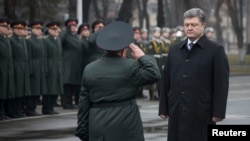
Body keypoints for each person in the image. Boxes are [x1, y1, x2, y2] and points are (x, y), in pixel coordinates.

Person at [75, 21, 161, 141]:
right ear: (123, 50)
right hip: (127, 123)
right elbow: (154, 74)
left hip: (98, 122)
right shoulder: (131, 66)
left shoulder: (89, 69)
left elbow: (83, 103)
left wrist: (82, 130)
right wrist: (142, 57)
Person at [158, 8, 229, 141]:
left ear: (203, 26)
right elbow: (166, 80)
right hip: (177, 110)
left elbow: (221, 84)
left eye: (194, 25)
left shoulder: (215, 50)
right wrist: (164, 107)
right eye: (187, 25)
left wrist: (218, 112)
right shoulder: (175, 50)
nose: (189, 28)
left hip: (202, 111)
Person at [9, 20, 31, 118]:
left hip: (23, 67)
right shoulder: (11, 40)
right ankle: (13, 111)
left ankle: (19, 110)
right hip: (16, 67)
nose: (19, 31)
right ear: (13, 29)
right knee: (16, 90)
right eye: (17, 29)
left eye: (21, 29)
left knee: (22, 90)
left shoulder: (22, 40)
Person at [26, 21, 47, 116]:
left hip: (40, 67)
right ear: (32, 29)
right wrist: (30, 70)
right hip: (34, 67)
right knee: (33, 89)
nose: (39, 31)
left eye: (40, 29)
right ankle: (30, 108)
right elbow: (29, 57)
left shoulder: (40, 40)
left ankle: (33, 108)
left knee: (38, 89)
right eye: (37, 29)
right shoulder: (29, 41)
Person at [61, 18, 83, 109]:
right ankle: (65, 102)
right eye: (71, 26)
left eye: (75, 26)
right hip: (68, 63)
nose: (74, 28)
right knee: (67, 85)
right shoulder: (66, 36)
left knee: (73, 85)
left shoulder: (76, 36)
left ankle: (70, 102)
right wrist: (65, 29)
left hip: (75, 64)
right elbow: (61, 39)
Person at [42, 21, 63, 115]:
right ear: (49, 30)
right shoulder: (46, 40)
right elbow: (44, 56)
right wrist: (46, 68)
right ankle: (46, 108)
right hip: (50, 66)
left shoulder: (58, 40)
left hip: (57, 67)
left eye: (56, 30)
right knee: (49, 89)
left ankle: (51, 107)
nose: (55, 31)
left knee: (56, 88)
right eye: (53, 30)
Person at [0, 18, 15, 120]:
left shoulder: (6, 39)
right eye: (3, 27)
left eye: (7, 27)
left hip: (6, 68)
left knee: (5, 91)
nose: (6, 29)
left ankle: (2, 112)